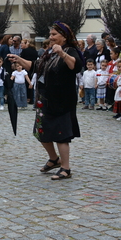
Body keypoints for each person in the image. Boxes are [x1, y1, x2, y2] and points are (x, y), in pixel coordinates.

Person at [17, 22, 82, 180]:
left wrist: (62, 54)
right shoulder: (49, 52)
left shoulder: (70, 50)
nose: (50, 37)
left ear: (64, 36)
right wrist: (19, 59)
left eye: (54, 34)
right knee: (41, 131)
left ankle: (65, 168)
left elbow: (76, 66)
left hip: (62, 100)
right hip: (45, 98)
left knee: (62, 135)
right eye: (50, 34)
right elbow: (35, 66)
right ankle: (54, 159)